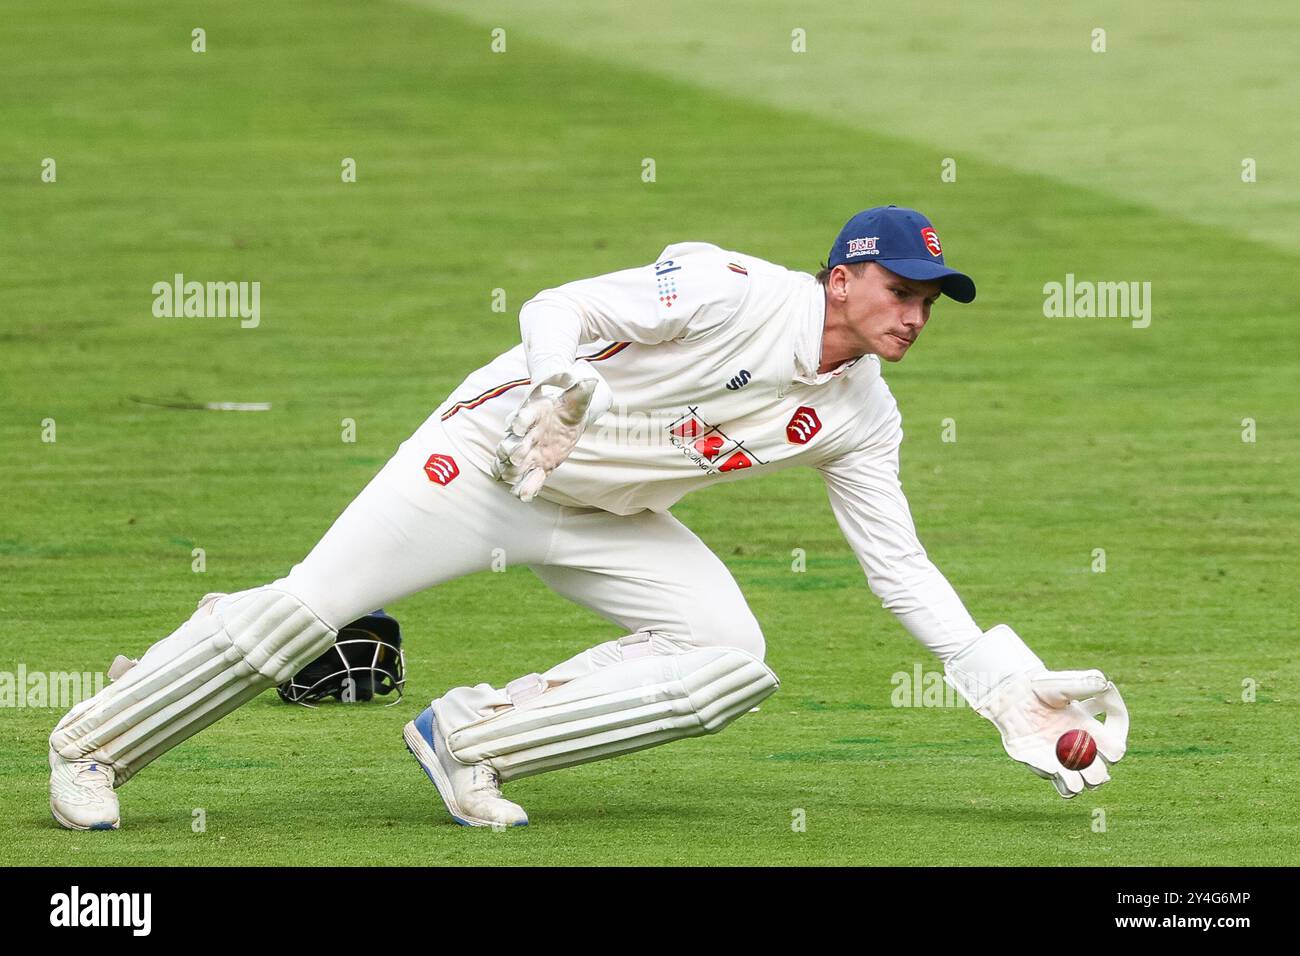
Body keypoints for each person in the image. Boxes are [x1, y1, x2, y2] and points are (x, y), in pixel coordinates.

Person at [49, 205, 1129, 830]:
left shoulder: (860, 413)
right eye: (901, 288)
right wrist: (560, 388)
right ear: (842, 276)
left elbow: (897, 566)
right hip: (487, 461)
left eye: (929, 301)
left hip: (605, 514)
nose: (914, 314)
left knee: (728, 659)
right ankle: (93, 745)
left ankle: (467, 738)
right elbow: (552, 307)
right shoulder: (729, 287)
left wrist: (999, 680)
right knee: (303, 616)